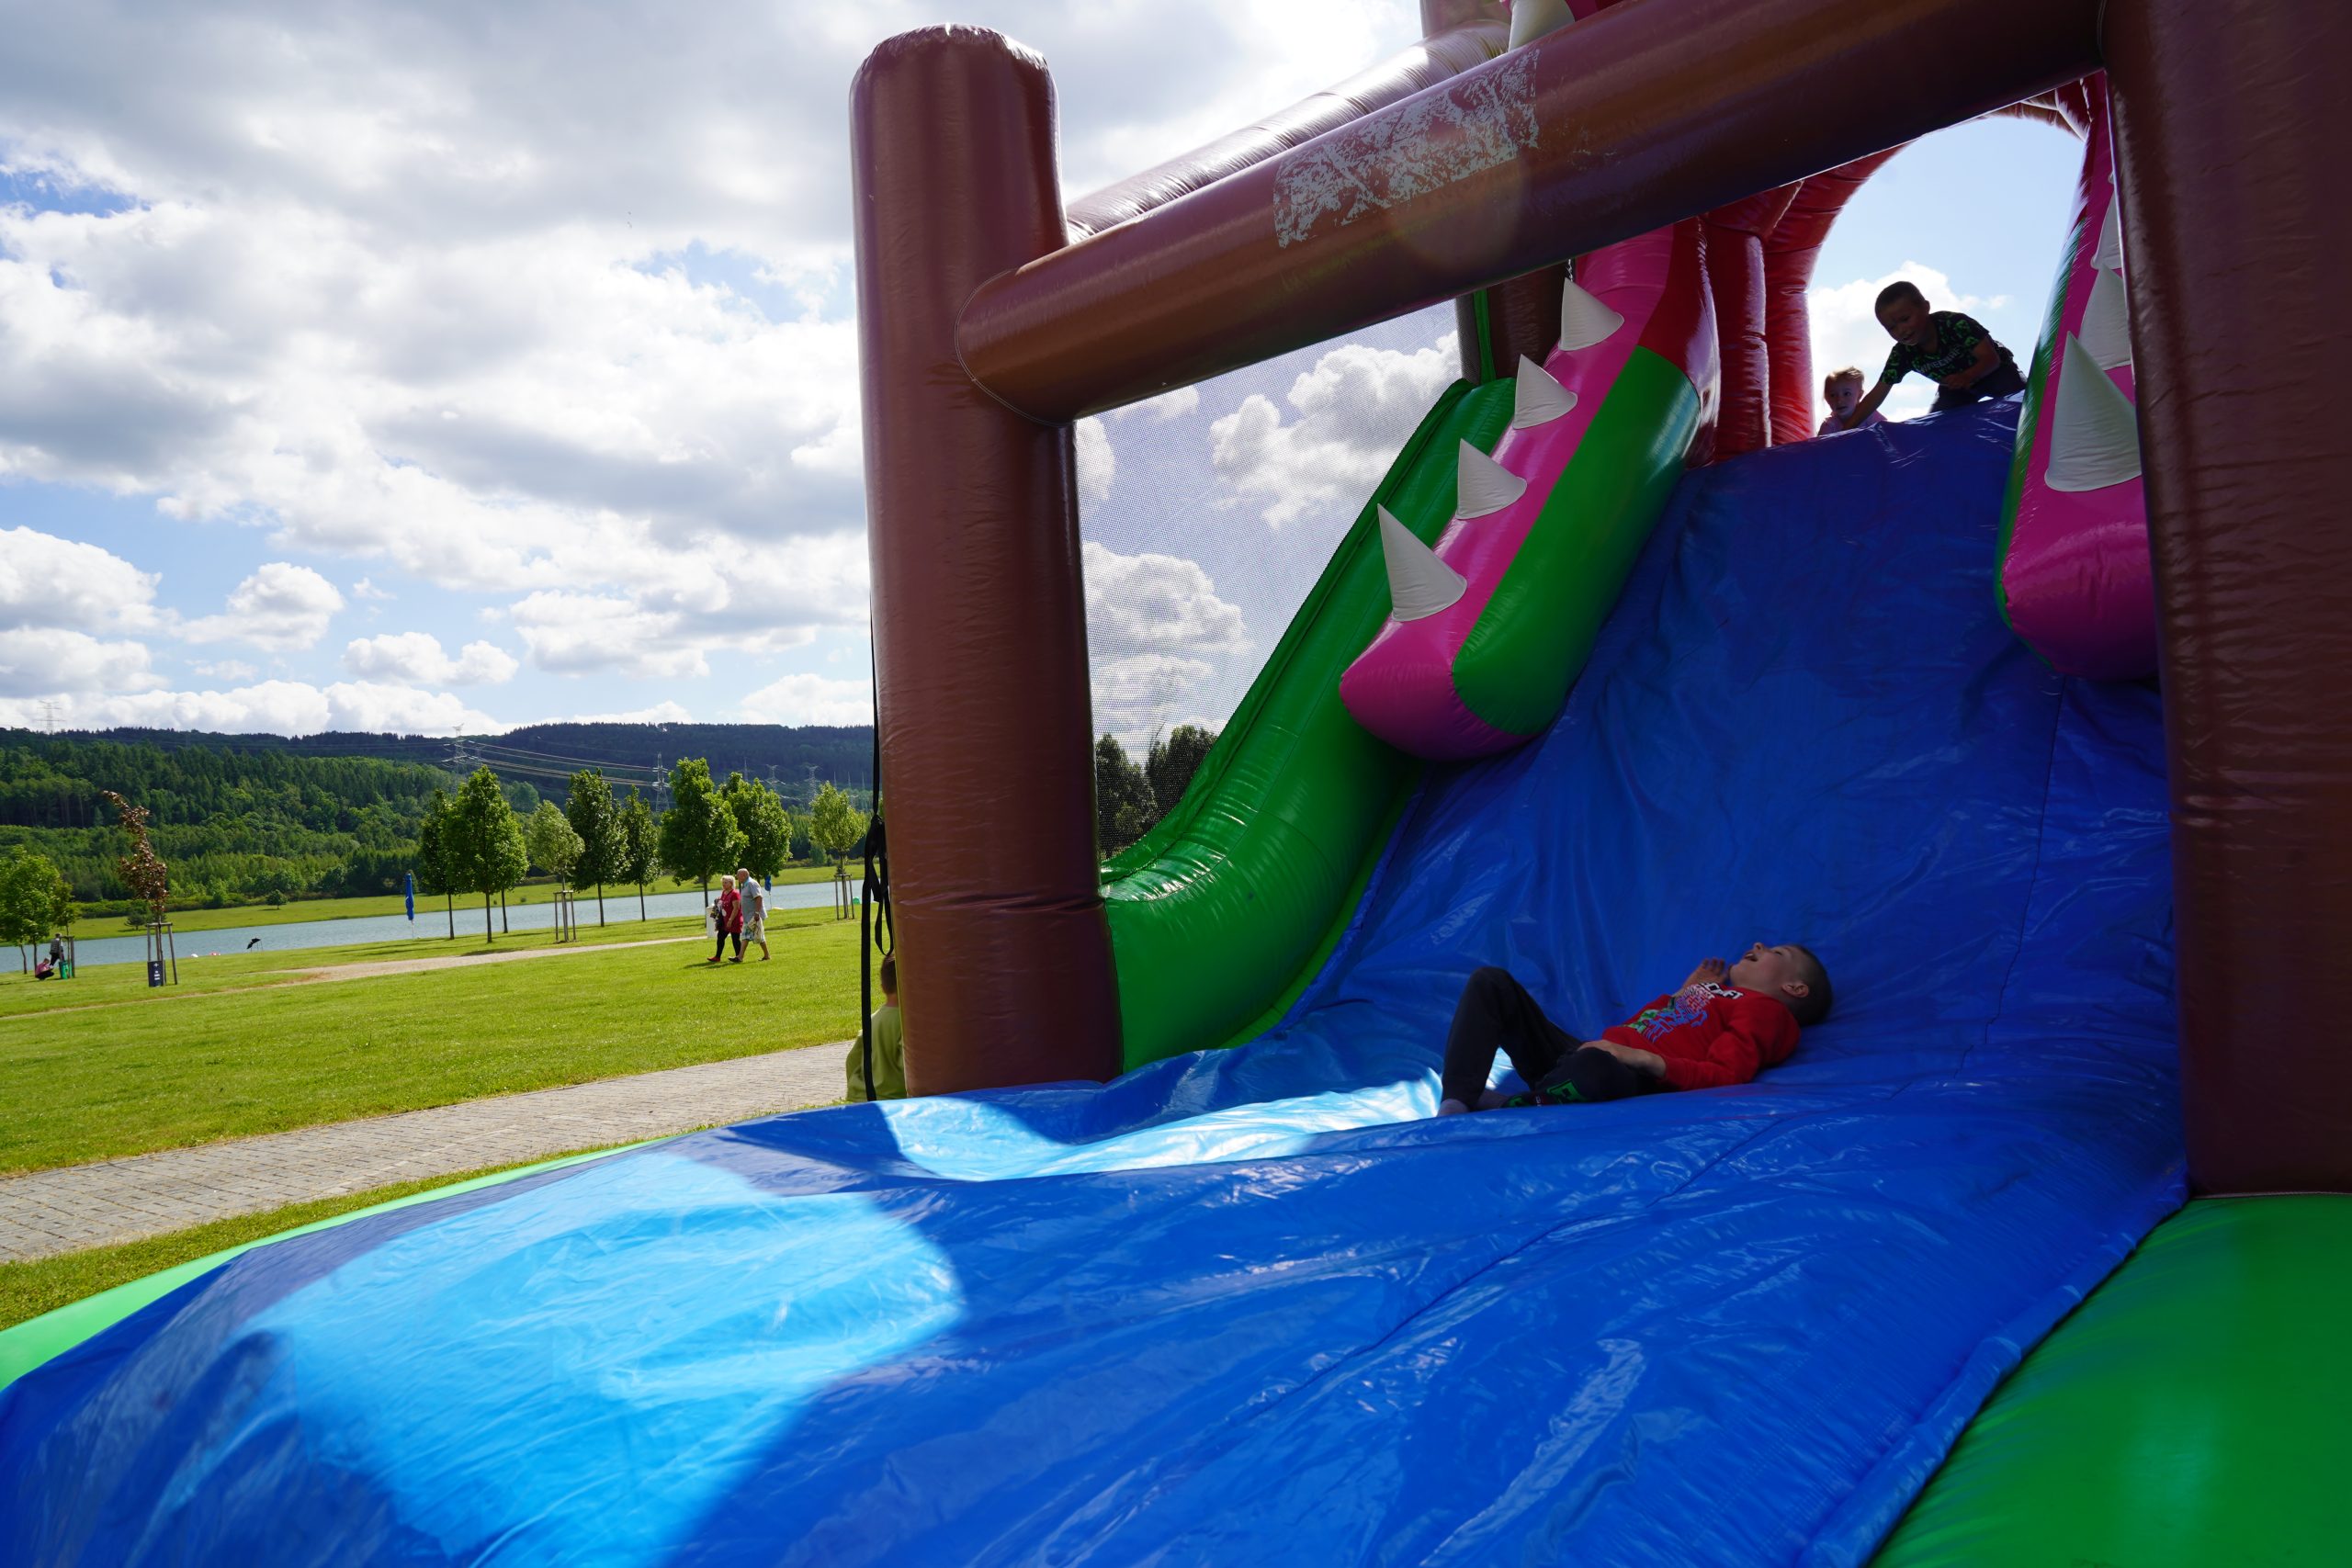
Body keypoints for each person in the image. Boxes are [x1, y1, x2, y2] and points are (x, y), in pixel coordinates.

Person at [1436, 942, 1831, 1115]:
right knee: (1492, 983)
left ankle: (1511, 1106)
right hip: (1582, 1058)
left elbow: (1726, 1075)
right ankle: (1456, 1102)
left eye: (1777, 952)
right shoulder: (1716, 994)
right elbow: (1651, 1025)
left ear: (1795, 988)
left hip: (1622, 1075)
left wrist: (1639, 1058)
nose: (1759, 945)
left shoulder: (1766, 1012)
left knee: (1599, 1068)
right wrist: (1683, 993)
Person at [1842, 279, 2025, 428]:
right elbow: (1876, 395)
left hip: (1994, 372)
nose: (1900, 330)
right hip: (1955, 388)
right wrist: (1845, 431)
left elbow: (1991, 359)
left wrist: (1967, 376)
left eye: (1905, 319)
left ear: (1925, 307)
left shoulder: (1954, 324)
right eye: (1891, 328)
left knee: (2025, 400)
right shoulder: (1902, 353)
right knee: (1937, 425)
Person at [844, 954, 907, 1100]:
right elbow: (908, 1066)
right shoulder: (907, 1023)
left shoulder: (871, 1021)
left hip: (864, 1096)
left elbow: (852, 1060)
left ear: (883, 987)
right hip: (895, 1101)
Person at [1816, 367, 1890, 435]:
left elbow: (1887, 433)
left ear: (1859, 395)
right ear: (1827, 399)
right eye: (1833, 395)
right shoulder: (1829, 425)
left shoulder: (1868, 414)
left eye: (1846, 394)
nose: (1839, 400)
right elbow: (1821, 444)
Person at [734, 865, 770, 961]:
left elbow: (759, 897)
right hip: (749, 916)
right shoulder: (745, 885)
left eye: (738, 875)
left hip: (754, 915)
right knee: (757, 935)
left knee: (746, 936)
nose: (737, 877)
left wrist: (757, 913)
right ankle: (766, 956)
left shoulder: (751, 883)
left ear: (744, 875)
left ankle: (740, 957)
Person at [708, 874, 742, 964]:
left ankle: (739, 957)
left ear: (731, 883)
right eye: (723, 882)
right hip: (725, 920)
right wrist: (717, 918)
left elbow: (736, 908)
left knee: (735, 939)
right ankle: (717, 957)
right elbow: (721, 905)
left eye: (725, 882)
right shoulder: (724, 892)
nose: (723, 884)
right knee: (720, 937)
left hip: (734, 920)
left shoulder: (735, 893)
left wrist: (730, 920)